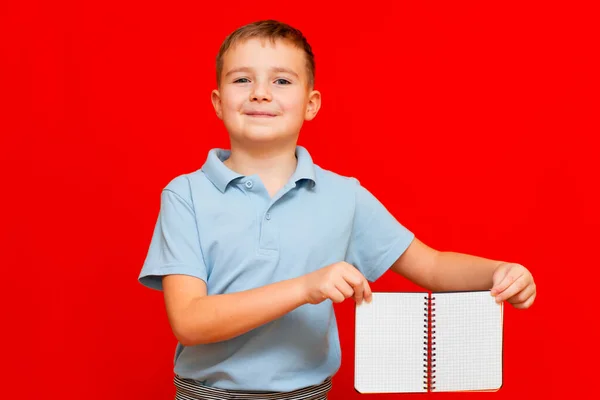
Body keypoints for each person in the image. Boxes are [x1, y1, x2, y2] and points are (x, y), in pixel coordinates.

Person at [138, 19, 536, 400]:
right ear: (218, 102)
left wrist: (497, 272)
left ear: (311, 104)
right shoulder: (186, 194)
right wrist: (305, 287)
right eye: (242, 79)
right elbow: (189, 322)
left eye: (281, 80)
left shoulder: (344, 196)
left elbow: (431, 266)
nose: (260, 92)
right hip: (207, 396)